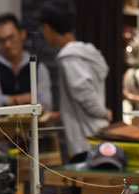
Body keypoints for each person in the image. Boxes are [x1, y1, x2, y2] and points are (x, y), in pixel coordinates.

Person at [40, 0, 111, 162]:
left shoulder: (69, 58)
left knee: (83, 186)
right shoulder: (86, 52)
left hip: (86, 140)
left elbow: (84, 93)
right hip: (96, 135)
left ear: (48, 28)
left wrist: (103, 112)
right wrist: (62, 114)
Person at [0, 13, 52, 110]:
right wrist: (26, 98)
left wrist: (8, 101)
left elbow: (46, 104)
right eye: (2, 40)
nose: (7, 45)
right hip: (1, 124)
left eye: (11, 37)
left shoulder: (38, 67)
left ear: (22, 34)